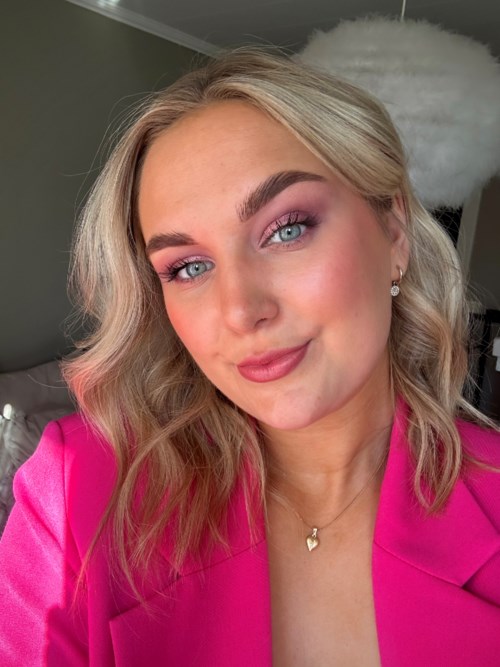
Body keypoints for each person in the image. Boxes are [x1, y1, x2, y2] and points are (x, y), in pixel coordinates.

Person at [1, 47, 500, 667]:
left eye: (286, 229)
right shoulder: (77, 493)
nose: (241, 310)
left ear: (393, 232)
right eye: (188, 267)